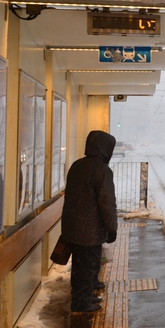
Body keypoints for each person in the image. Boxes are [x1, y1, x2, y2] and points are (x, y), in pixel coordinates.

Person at [62, 130, 118, 314]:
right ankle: (81, 303)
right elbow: (107, 203)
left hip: (73, 226)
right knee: (88, 265)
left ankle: (82, 296)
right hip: (90, 230)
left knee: (79, 266)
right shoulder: (102, 170)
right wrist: (112, 228)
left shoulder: (77, 165)